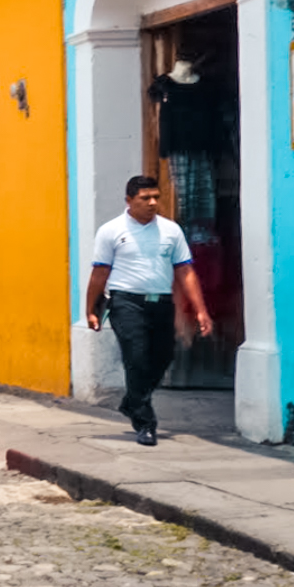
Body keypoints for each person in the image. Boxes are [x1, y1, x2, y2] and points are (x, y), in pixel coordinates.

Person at [85, 175, 213, 447]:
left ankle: (131, 402)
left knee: (164, 356)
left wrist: (201, 310)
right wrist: (90, 310)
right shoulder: (111, 230)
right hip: (125, 302)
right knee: (137, 356)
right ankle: (145, 422)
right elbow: (99, 273)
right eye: (145, 198)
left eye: (156, 197)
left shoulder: (171, 230)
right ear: (129, 201)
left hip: (162, 302)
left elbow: (185, 271)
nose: (153, 203)